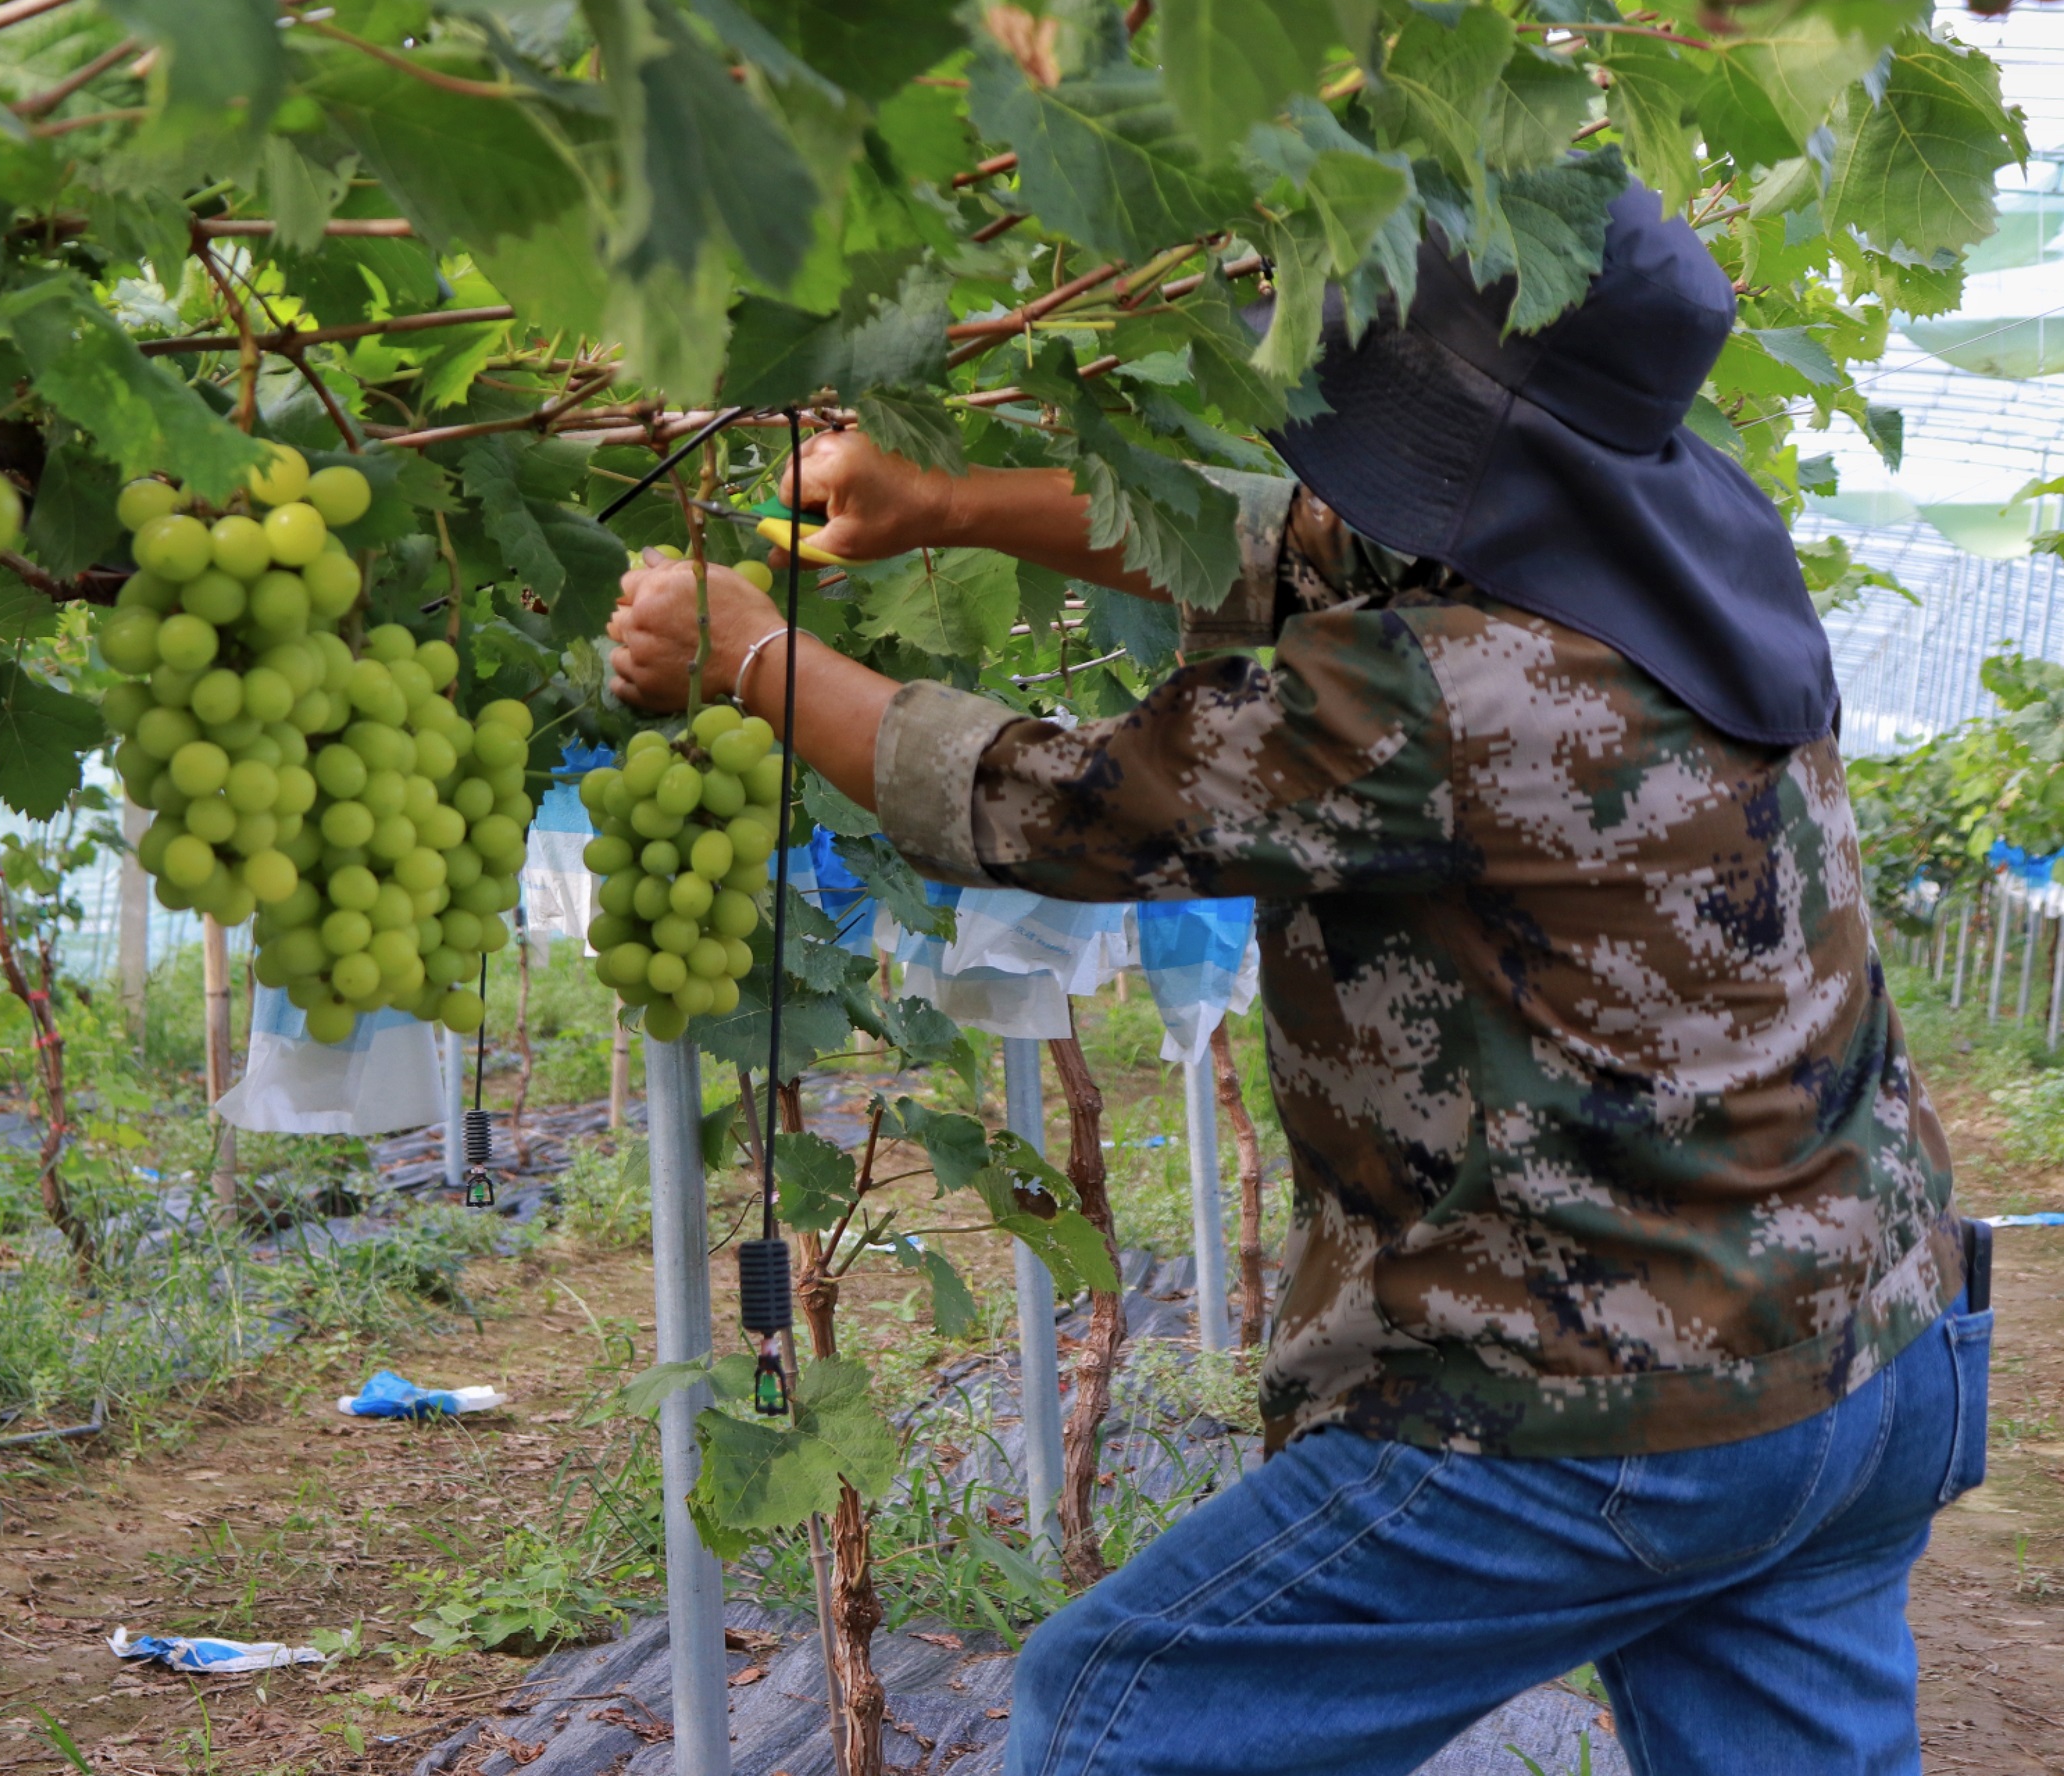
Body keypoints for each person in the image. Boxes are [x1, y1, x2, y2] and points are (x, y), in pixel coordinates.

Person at [606, 183, 1988, 1776]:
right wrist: (943, 501)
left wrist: (754, 657)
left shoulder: (1435, 696)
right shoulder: (1688, 540)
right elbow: (1288, 539)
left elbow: (1050, 804)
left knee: (1115, 1718)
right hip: (1866, 1355)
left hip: (1609, 1406)